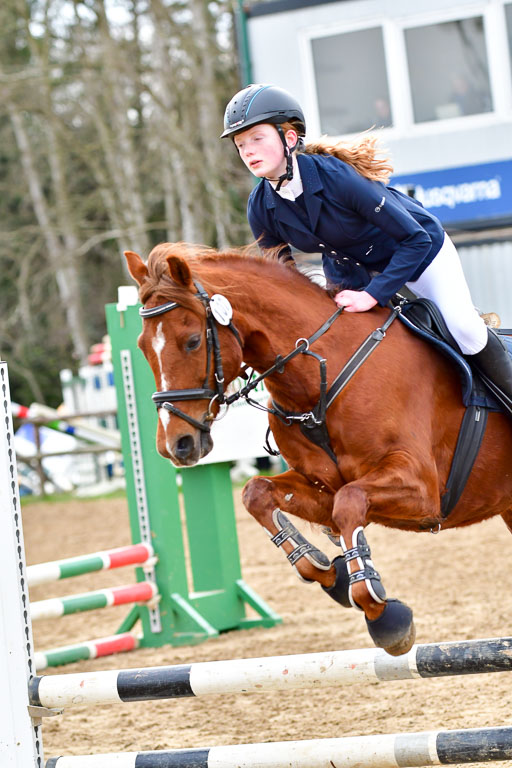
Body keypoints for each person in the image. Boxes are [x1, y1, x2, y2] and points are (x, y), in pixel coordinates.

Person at [220, 83, 512, 417]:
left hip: (419, 254)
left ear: (288, 139)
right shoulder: (260, 206)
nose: (248, 151)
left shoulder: (337, 178)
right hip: (350, 275)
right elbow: (282, 275)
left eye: (257, 138)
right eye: (240, 144)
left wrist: (372, 295)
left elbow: (414, 239)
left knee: (465, 330)